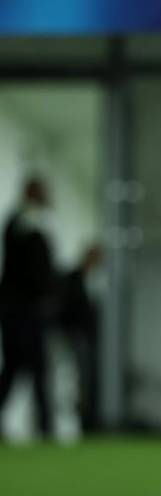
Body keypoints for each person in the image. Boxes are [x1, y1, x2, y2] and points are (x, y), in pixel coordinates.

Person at [0, 177, 56, 438]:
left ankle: (45, 426)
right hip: (18, 311)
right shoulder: (20, 223)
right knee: (15, 368)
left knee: (37, 369)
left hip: (33, 310)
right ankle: (45, 426)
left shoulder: (39, 223)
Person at [58, 245, 102, 433]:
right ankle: (80, 419)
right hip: (74, 335)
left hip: (90, 337)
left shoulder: (97, 280)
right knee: (77, 378)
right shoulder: (72, 278)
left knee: (88, 378)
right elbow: (65, 307)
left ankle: (89, 420)